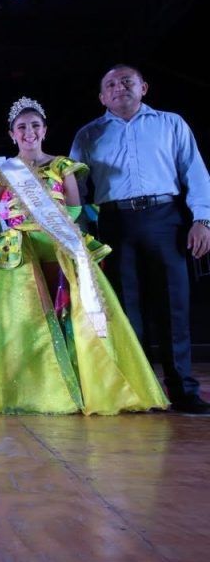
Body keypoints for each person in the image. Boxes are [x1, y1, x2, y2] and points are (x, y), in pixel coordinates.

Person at [0, 97, 168, 415]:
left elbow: (76, 209)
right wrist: (6, 237)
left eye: (35, 125)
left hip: (60, 248)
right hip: (24, 253)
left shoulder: (62, 165)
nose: (29, 132)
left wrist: (66, 238)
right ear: (12, 134)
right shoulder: (3, 171)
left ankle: (84, 385)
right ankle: (42, 390)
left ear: (45, 130)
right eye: (21, 127)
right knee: (30, 321)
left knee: (71, 317)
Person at [71, 65, 210, 415]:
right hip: (115, 223)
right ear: (102, 97)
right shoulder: (88, 135)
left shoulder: (171, 124)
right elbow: (74, 190)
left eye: (127, 81)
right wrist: (83, 232)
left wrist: (203, 220)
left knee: (173, 307)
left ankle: (183, 390)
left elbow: (196, 172)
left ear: (143, 87)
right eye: (111, 85)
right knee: (126, 310)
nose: (120, 88)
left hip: (167, 219)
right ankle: (139, 389)